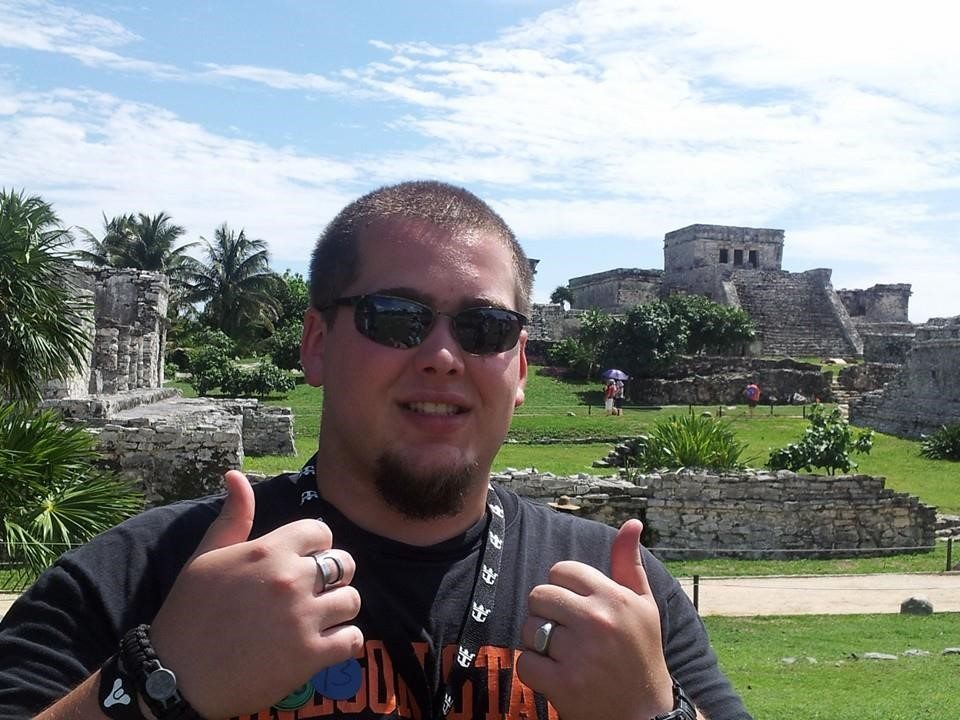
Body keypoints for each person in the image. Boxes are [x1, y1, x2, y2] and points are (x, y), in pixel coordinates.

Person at [0, 181, 751, 720]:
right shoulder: (144, 574)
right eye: (397, 317)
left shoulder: (618, 592)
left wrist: (653, 713)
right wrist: (156, 684)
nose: (444, 357)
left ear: (520, 368)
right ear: (316, 343)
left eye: (485, 328)